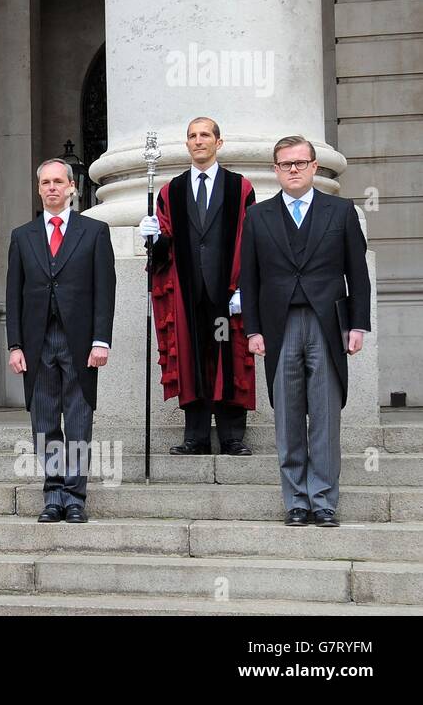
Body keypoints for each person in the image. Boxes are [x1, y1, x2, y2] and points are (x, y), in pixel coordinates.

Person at [240, 135, 370, 528]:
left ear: (314, 166)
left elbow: (357, 274)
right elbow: (249, 277)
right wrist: (253, 329)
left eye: (300, 162)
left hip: (327, 323)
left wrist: (359, 324)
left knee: (326, 413)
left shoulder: (341, 211)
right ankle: (296, 500)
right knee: (289, 414)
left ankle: (324, 500)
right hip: (279, 326)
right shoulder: (258, 217)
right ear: (276, 170)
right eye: (285, 164)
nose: (293, 170)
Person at [6, 159, 116, 524]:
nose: (52, 188)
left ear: (72, 187)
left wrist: (101, 340)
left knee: (79, 420)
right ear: (39, 189)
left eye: (59, 182)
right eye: (45, 183)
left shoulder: (95, 231)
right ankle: (53, 495)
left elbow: (105, 291)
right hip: (38, 343)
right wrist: (15, 345)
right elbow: (13, 294)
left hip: (81, 343)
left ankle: (75, 497)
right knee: (44, 421)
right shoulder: (23, 236)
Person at [141, 117, 257, 457]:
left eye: (205, 135)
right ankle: (196, 437)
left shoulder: (241, 187)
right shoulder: (170, 191)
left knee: (229, 357)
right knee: (191, 358)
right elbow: (163, 250)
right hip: (187, 291)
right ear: (187, 144)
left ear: (218, 142)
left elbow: (249, 240)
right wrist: (154, 237)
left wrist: (244, 287)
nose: (198, 141)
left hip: (226, 290)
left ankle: (232, 436)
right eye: (192, 136)